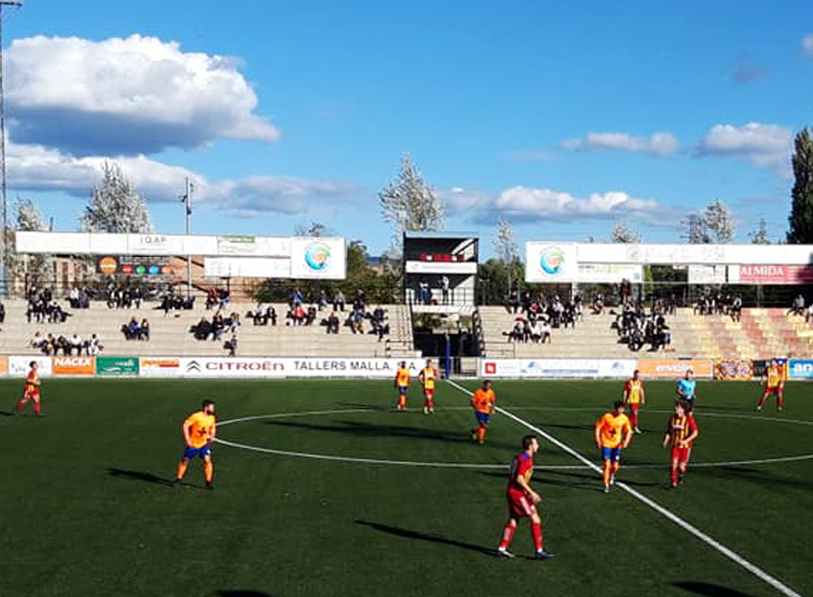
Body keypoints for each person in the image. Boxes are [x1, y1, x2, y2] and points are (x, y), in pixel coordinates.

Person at [497, 435, 554, 560]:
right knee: (535, 518)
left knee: (514, 519)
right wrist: (531, 492)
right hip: (517, 494)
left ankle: (502, 548)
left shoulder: (519, 457)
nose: (538, 446)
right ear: (530, 446)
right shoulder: (526, 460)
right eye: (536, 443)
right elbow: (519, 478)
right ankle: (539, 550)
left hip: (513, 492)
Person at [175, 400, 217, 490]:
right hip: (193, 444)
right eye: (212, 407)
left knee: (207, 460)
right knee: (185, 461)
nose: (213, 409)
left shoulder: (212, 417)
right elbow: (185, 425)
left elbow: (213, 428)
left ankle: (208, 482)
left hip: (204, 444)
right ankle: (178, 479)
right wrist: (187, 439)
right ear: (206, 407)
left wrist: (212, 436)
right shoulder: (196, 416)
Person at [594, 401, 633, 493]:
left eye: (622, 409)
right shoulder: (607, 416)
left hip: (617, 444)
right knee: (607, 465)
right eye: (620, 408)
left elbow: (629, 431)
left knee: (615, 466)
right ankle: (606, 485)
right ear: (616, 409)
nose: (621, 410)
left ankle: (612, 475)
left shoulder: (624, 418)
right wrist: (598, 440)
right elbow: (598, 427)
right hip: (606, 443)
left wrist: (626, 441)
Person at [662, 400, 699, 489]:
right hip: (675, 445)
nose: (676, 409)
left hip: (685, 447)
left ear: (683, 409)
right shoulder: (672, 418)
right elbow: (669, 431)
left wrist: (686, 441)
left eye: (678, 407)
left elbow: (695, 433)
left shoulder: (688, 419)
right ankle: (673, 481)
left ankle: (681, 475)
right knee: (674, 464)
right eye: (676, 407)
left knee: (681, 467)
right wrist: (666, 440)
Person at [470, 380, 496, 445]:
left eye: (489, 386)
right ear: (484, 385)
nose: (488, 387)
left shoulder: (491, 392)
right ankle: (480, 439)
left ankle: (474, 431)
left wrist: (492, 409)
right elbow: (472, 401)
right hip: (479, 411)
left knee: (484, 426)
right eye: (487, 385)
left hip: (486, 411)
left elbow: (493, 401)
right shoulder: (478, 392)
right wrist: (475, 407)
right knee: (482, 425)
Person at [623, 369, 646, 434]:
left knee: (633, 414)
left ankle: (628, 427)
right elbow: (625, 391)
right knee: (634, 413)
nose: (638, 376)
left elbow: (641, 390)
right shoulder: (629, 381)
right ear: (634, 375)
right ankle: (635, 427)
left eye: (639, 375)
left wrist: (643, 398)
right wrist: (624, 399)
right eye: (636, 375)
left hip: (637, 400)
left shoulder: (640, 382)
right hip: (631, 400)